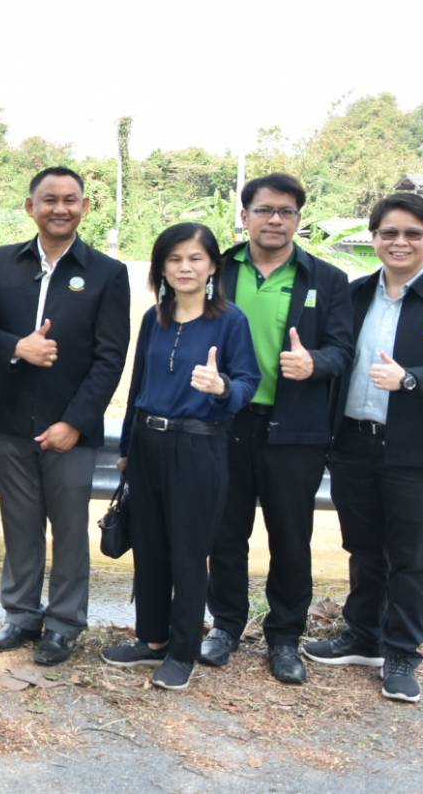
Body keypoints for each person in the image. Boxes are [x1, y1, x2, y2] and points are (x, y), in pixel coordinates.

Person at [303, 193, 423, 704]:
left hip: (421, 453)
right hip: (354, 443)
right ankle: (364, 636)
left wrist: (409, 379)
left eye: (411, 234)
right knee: (363, 548)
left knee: (411, 558)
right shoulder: (355, 295)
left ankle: (402, 652)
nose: (399, 242)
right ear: (375, 238)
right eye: (389, 233)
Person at [198, 173, 353, 684]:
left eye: (286, 212)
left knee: (290, 537)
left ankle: (284, 636)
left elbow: (343, 350)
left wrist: (315, 363)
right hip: (227, 421)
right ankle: (225, 626)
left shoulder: (326, 279)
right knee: (225, 531)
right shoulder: (218, 269)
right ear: (244, 216)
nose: (275, 220)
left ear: (298, 219)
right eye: (264, 210)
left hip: (295, 429)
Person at [101, 222, 259, 691]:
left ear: (212, 267)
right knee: (149, 545)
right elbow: (137, 387)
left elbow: (248, 382)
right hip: (148, 443)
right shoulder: (155, 318)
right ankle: (151, 638)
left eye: (195, 258)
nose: (184, 267)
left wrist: (222, 386)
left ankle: (182, 649)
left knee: (188, 552)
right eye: (174, 259)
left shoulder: (230, 321)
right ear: (161, 269)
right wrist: (127, 448)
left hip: (199, 446)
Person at [0, 167, 130, 665]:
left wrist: (75, 423)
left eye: (70, 199)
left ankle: (64, 624)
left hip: (71, 429)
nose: (59, 208)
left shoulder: (108, 272)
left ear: (85, 207)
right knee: (19, 526)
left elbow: (111, 357)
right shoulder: (3, 262)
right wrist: (17, 347)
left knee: (69, 533)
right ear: (31, 207)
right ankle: (21, 615)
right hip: (11, 422)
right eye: (49, 199)